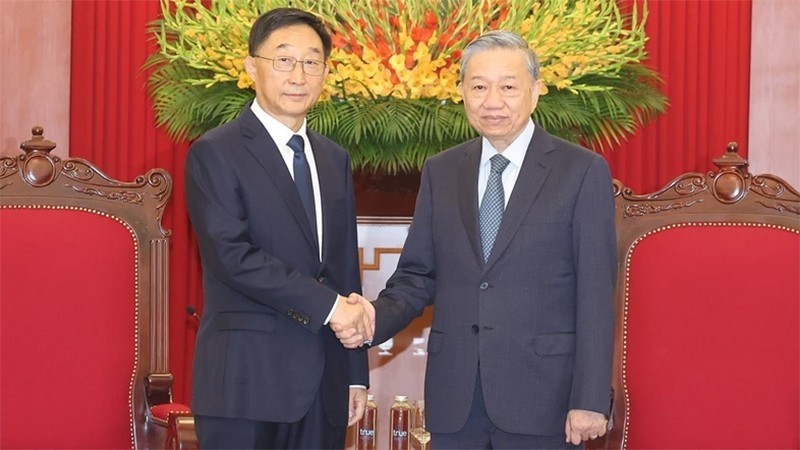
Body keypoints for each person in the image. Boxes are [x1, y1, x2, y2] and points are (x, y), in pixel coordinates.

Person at [339, 31, 617, 448]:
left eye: (508, 87)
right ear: (462, 93)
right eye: (479, 87)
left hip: (545, 400)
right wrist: (373, 318)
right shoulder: (443, 171)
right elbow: (417, 275)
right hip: (456, 399)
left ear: (536, 91)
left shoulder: (580, 171)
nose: (493, 101)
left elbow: (596, 293)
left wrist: (590, 399)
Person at [184, 7, 373, 449]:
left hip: (324, 386)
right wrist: (331, 307)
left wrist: (354, 373)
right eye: (283, 60)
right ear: (252, 67)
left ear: (326, 72)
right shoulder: (216, 152)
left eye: (312, 62)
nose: (298, 75)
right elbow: (232, 257)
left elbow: (343, 267)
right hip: (246, 384)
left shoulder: (333, 158)